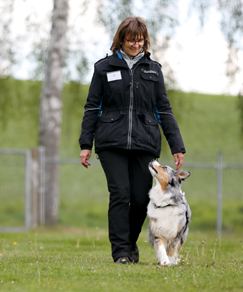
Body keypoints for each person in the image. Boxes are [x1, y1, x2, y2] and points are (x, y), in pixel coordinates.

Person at [79, 16, 186, 265]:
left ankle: (129, 244)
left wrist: (177, 145)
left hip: (145, 143)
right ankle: (121, 253)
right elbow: (92, 107)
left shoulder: (154, 70)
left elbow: (164, 110)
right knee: (120, 193)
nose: (136, 46)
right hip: (110, 143)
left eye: (140, 41)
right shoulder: (103, 68)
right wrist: (86, 144)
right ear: (121, 40)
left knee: (140, 198)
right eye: (130, 41)